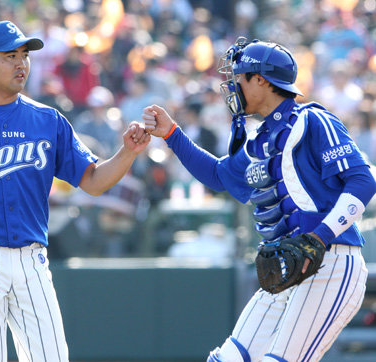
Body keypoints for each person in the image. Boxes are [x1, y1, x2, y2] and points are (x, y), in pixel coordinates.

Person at [0, 20, 150, 361]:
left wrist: (127, 153)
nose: (21, 63)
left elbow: (92, 180)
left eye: (25, 55)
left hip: (32, 257)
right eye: (10, 56)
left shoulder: (49, 120)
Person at [143, 37, 376, 361]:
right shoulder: (260, 140)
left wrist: (318, 237)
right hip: (287, 266)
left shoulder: (312, 120)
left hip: (331, 262)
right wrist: (172, 134)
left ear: (261, 81)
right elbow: (218, 176)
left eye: (238, 78)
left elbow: (363, 181)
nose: (232, 86)